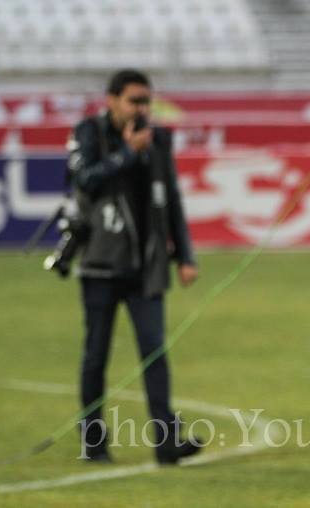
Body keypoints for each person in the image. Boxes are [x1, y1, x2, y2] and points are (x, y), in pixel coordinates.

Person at [68, 69, 201, 464]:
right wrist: (127, 154)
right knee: (96, 356)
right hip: (100, 264)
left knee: (155, 354)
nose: (142, 109)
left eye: (147, 101)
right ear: (111, 100)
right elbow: (85, 180)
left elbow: (171, 198)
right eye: (134, 100)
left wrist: (185, 255)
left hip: (147, 266)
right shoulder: (89, 132)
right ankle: (94, 442)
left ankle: (166, 444)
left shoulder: (159, 139)